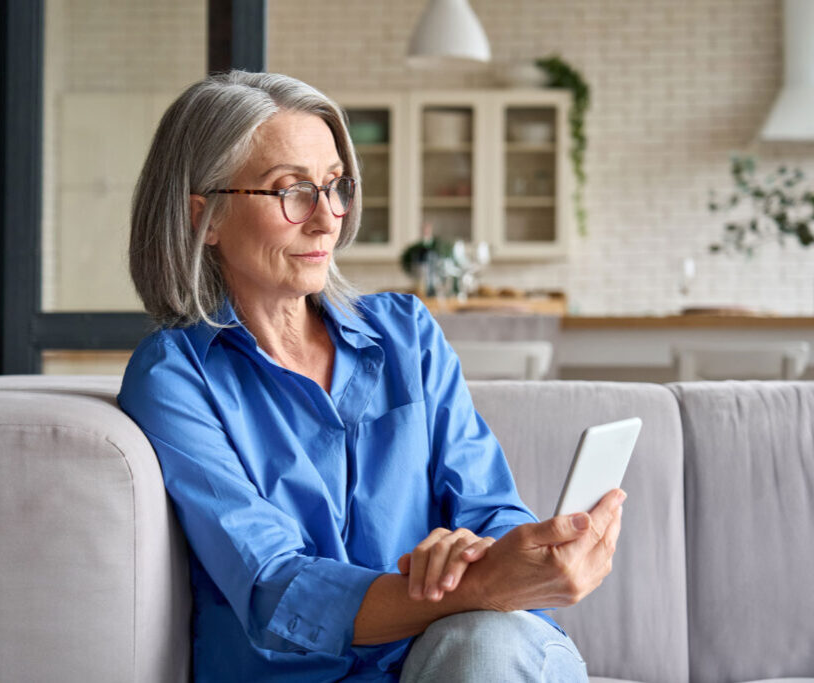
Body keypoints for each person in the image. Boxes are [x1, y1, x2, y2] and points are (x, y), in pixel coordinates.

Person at [117, 70, 623, 682]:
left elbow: (490, 509)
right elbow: (274, 586)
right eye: (292, 191)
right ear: (207, 217)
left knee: (486, 646)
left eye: (336, 187)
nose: (328, 219)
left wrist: (489, 556)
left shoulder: (405, 334)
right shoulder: (177, 376)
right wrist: (478, 583)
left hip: (462, 655)